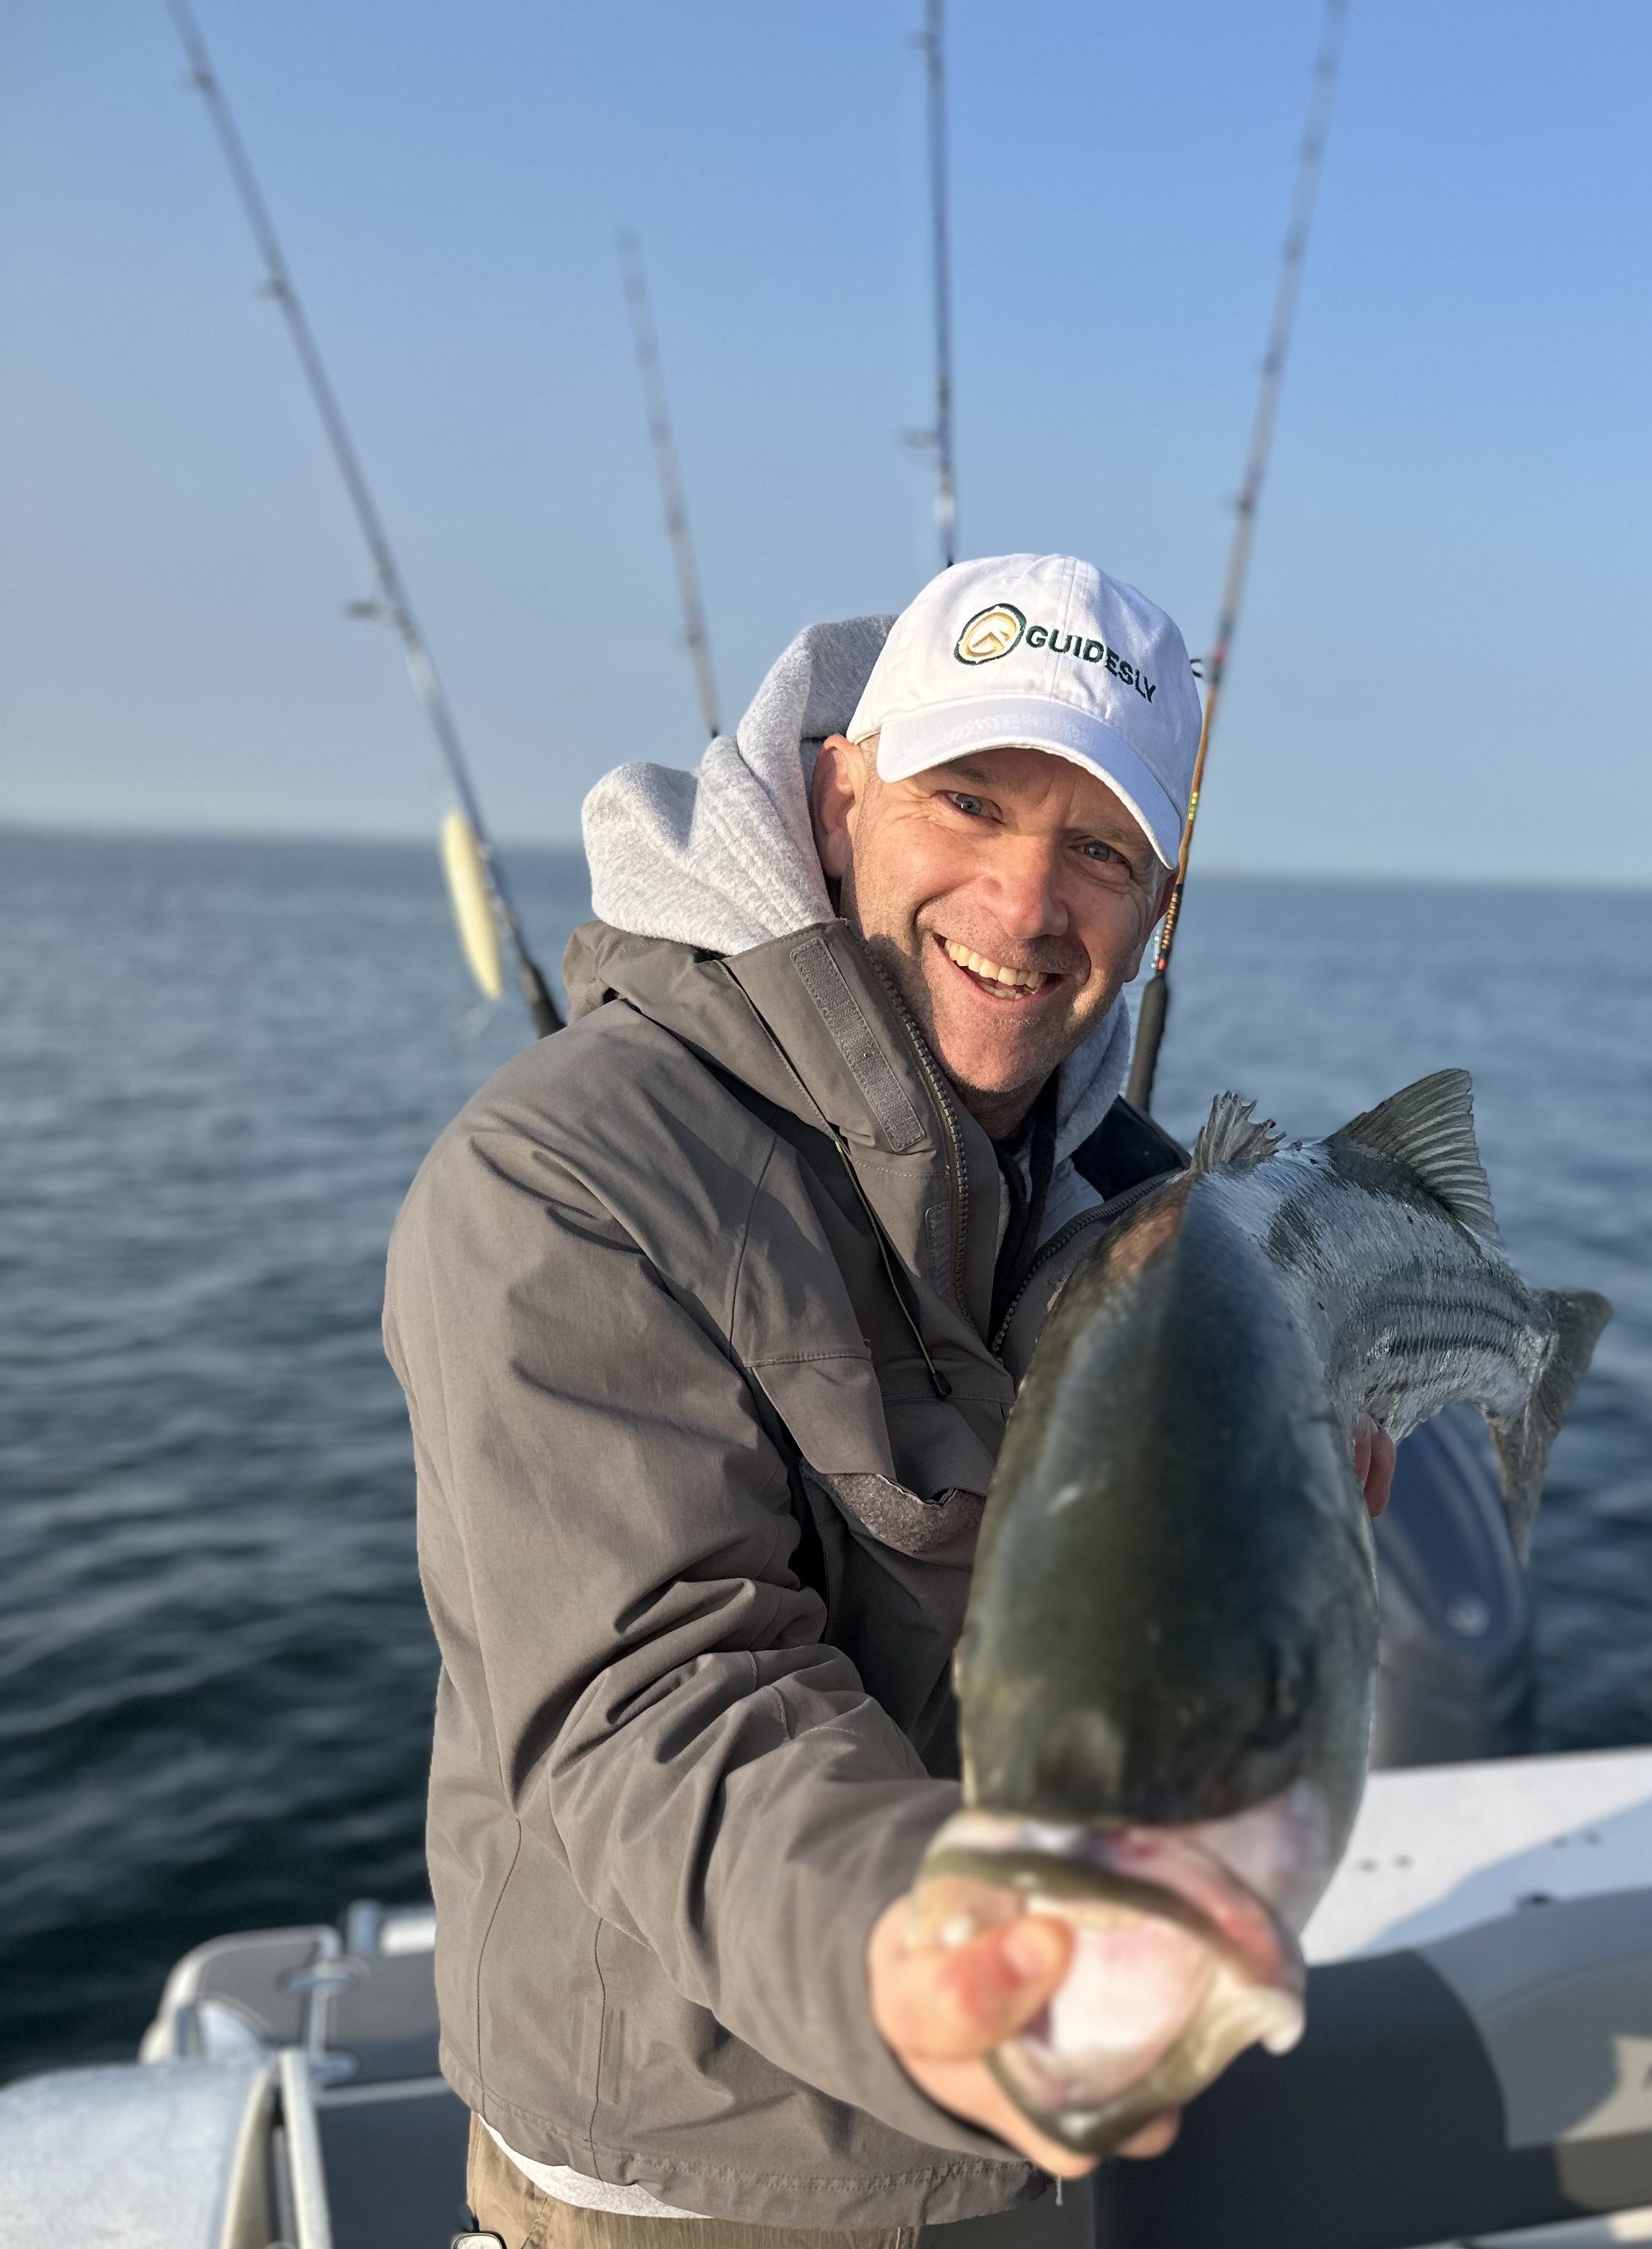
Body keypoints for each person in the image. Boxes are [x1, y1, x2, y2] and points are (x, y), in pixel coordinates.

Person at [385, 553, 1394, 2249]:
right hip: (685, 2186)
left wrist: (1282, 1512)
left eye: (1098, 848)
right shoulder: (559, 1174)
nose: (1021, 904)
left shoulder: (1131, 1211)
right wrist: (919, 1948)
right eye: (971, 801)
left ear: (1158, 898)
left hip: (1018, 2151)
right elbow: (652, 1697)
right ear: (838, 793)